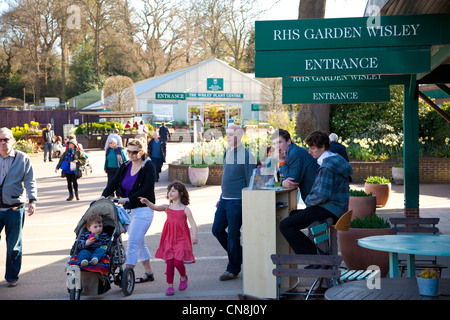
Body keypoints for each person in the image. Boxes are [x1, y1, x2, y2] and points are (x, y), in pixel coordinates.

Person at [279, 131, 353, 255]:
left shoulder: (327, 166)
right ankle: (318, 255)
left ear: (323, 147)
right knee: (293, 215)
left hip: (330, 210)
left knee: (285, 225)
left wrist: (307, 201)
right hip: (335, 208)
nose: (309, 152)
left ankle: (314, 257)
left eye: (312, 148)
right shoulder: (333, 159)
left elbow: (322, 195)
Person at [98, 138, 157, 283]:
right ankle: (149, 273)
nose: (130, 154)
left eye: (134, 152)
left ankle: (126, 273)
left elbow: (147, 188)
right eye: (128, 151)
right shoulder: (125, 165)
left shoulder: (148, 166)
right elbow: (114, 182)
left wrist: (129, 198)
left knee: (132, 242)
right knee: (140, 242)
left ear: (141, 152)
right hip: (129, 211)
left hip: (144, 210)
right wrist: (103, 195)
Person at [212, 124, 255, 281]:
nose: (228, 136)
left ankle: (233, 269)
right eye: (227, 133)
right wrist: (221, 196)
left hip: (238, 202)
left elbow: (251, 181)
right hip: (224, 200)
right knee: (216, 230)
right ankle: (239, 255)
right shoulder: (227, 152)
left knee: (233, 236)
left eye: (231, 134)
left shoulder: (247, 155)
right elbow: (227, 176)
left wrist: (248, 203)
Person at [139, 181, 198, 296]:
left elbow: (193, 223)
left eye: (173, 191)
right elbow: (154, 207)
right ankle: (170, 286)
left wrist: (194, 236)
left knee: (178, 262)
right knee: (170, 263)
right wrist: (147, 202)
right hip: (169, 239)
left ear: (181, 193)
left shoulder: (186, 209)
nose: (170, 193)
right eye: (169, 191)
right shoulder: (167, 207)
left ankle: (183, 276)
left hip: (181, 239)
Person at [0, 127, 37, 287]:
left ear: (12, 141)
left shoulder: (23, 158)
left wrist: (32, 200)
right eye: (0, 140)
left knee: (14, 245)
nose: (3, 142)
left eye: (6, 139)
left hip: (14, 208)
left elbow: (30, 180)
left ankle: (12, 276)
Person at [271, 129, 318, 202]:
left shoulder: (294, 153)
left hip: (316, 198)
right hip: (313, 196)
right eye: (274, 144)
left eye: (279, 142)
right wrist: (282, 182)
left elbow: (292, 182)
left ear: (289, 141)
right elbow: (279, 177)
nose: (277, 146)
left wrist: (282, 161)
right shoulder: (288, 152)